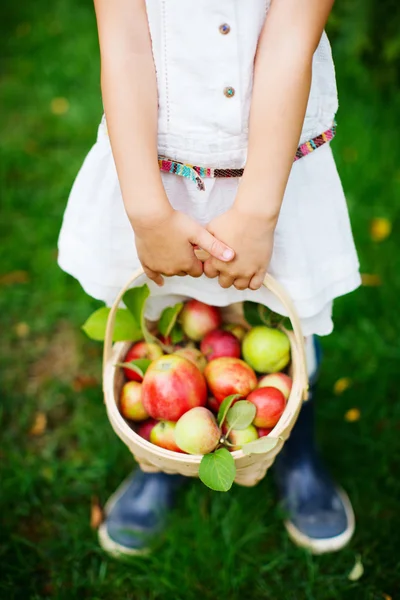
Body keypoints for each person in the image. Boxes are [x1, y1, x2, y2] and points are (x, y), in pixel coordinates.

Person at [58, 0, 360, 557]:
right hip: (154, 161)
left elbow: (291, 37)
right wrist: (148, 213)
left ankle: (296, 446)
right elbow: (124, 40)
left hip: (272, 164)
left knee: (287, 317)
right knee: (158, 309)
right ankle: (162, 454)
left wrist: (258, 211)